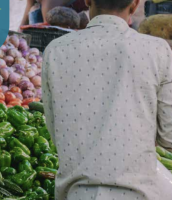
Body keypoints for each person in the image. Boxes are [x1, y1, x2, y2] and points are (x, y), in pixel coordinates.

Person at [41, 0, 172, 199]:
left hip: (77, 194)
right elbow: (169, 136)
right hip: (140, 194)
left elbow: (56, 131)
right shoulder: (158, 50)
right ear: (135, 4)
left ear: (87, 1)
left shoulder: (55, 50)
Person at [20, 0, 88, 26]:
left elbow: (47, 35)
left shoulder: (48, 2)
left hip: (73, 15)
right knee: (33, 10)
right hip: (48, 10)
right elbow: (23, 24)